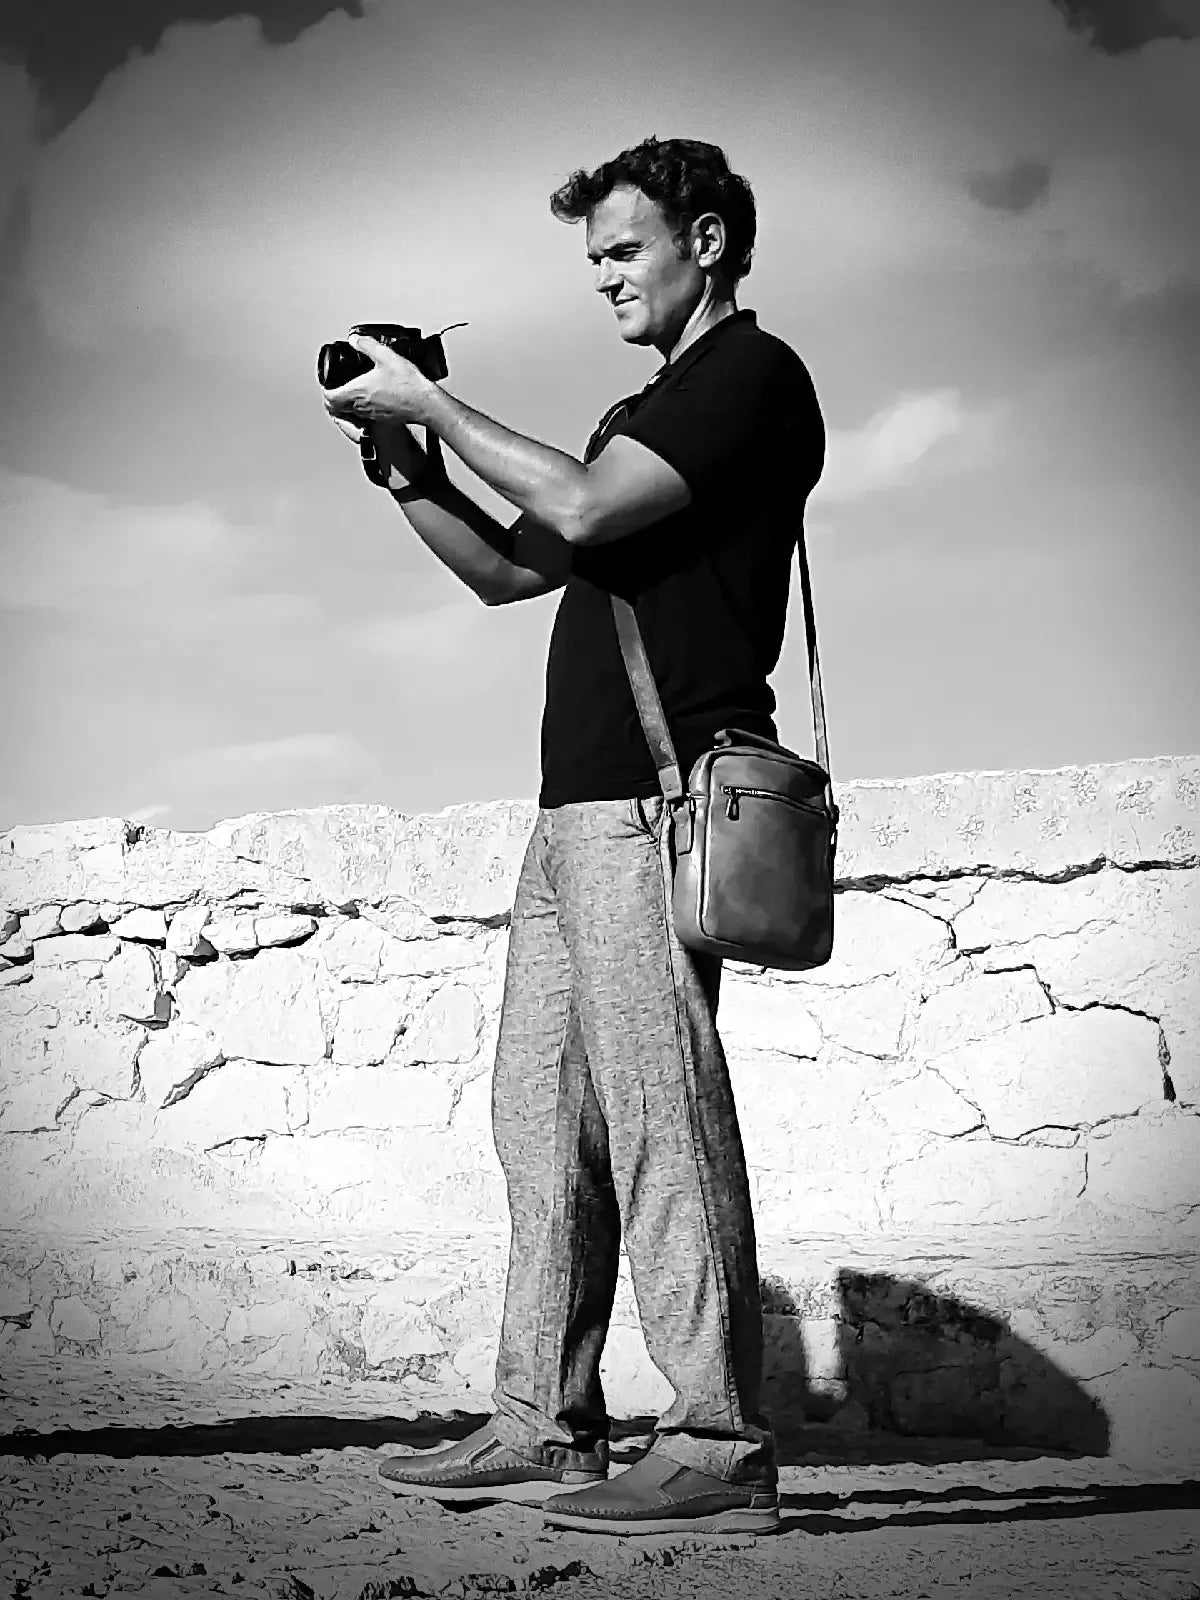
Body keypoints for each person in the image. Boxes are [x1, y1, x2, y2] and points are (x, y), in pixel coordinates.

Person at [320, 136, 825, 1537]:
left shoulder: (752, 383)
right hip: (568, 822)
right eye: (591, 258)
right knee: (539, 1128)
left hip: (656, 810)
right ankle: (547, 1427)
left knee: (664, 1124)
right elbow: (508, 565)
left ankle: (720, 1452)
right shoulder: (641, 405)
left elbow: (592, 505)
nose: (602, 277)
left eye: (622, 252)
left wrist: (441, 391)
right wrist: (406, 460)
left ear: (708, 242)